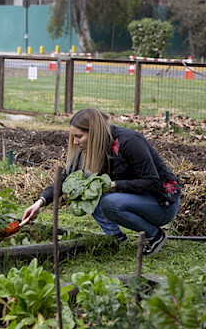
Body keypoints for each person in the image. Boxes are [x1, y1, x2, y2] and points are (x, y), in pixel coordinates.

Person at [21, 108, 181, 255]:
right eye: (73, 137)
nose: (75, 142)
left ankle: (154, 235)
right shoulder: (91, 148)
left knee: (108, 201)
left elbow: (152, 182)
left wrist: (113, 185)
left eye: (79, 136)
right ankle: (115, 238)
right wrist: (40, 202)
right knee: (88, 187)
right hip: (136, 200)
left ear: (94, 133)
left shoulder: (129, 141)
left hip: (162, 204)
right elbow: (67, 179)